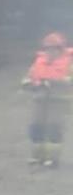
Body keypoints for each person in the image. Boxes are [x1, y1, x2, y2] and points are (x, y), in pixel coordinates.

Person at [24, 32, 73, 167]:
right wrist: (29, 83)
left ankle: (52, 159)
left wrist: (53, 82)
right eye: (48, 48)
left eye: (54, 48)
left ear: (60, 49)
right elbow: (28, 77)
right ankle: (37, 157)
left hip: (59, 101)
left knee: (54, 128)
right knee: (36, 127)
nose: (50, 51)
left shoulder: (69, 62)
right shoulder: (39, 62)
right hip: (39, 99)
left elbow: (70, 80)